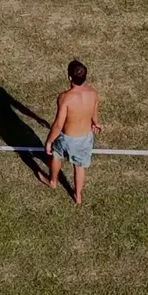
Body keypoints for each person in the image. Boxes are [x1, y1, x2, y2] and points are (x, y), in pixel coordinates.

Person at [41, 60, 101, 205]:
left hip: (68, 138)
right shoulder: (93, 93)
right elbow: (94, 112)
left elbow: (58, 124)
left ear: (69, 77)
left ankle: (53, 181)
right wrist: (96, 123)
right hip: (86, 137)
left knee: (56, 155)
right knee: (79, 166)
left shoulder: (65, 97)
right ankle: (78, 195)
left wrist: (49, 141)